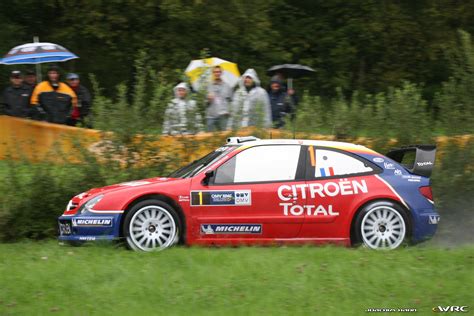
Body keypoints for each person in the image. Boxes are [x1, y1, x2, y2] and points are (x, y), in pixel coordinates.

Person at [206, 66, 233, 131]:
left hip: (223, 115)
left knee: (224, 136)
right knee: (209, 137)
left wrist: (229, 111)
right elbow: (204, 103)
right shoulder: (208, 86)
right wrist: (208, 100)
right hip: (211, 116)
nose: (217, 73)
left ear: (221, 73)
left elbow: (232, 100)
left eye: (219, 72)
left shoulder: (227, 86)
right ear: (213, 73)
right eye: (215, 72)